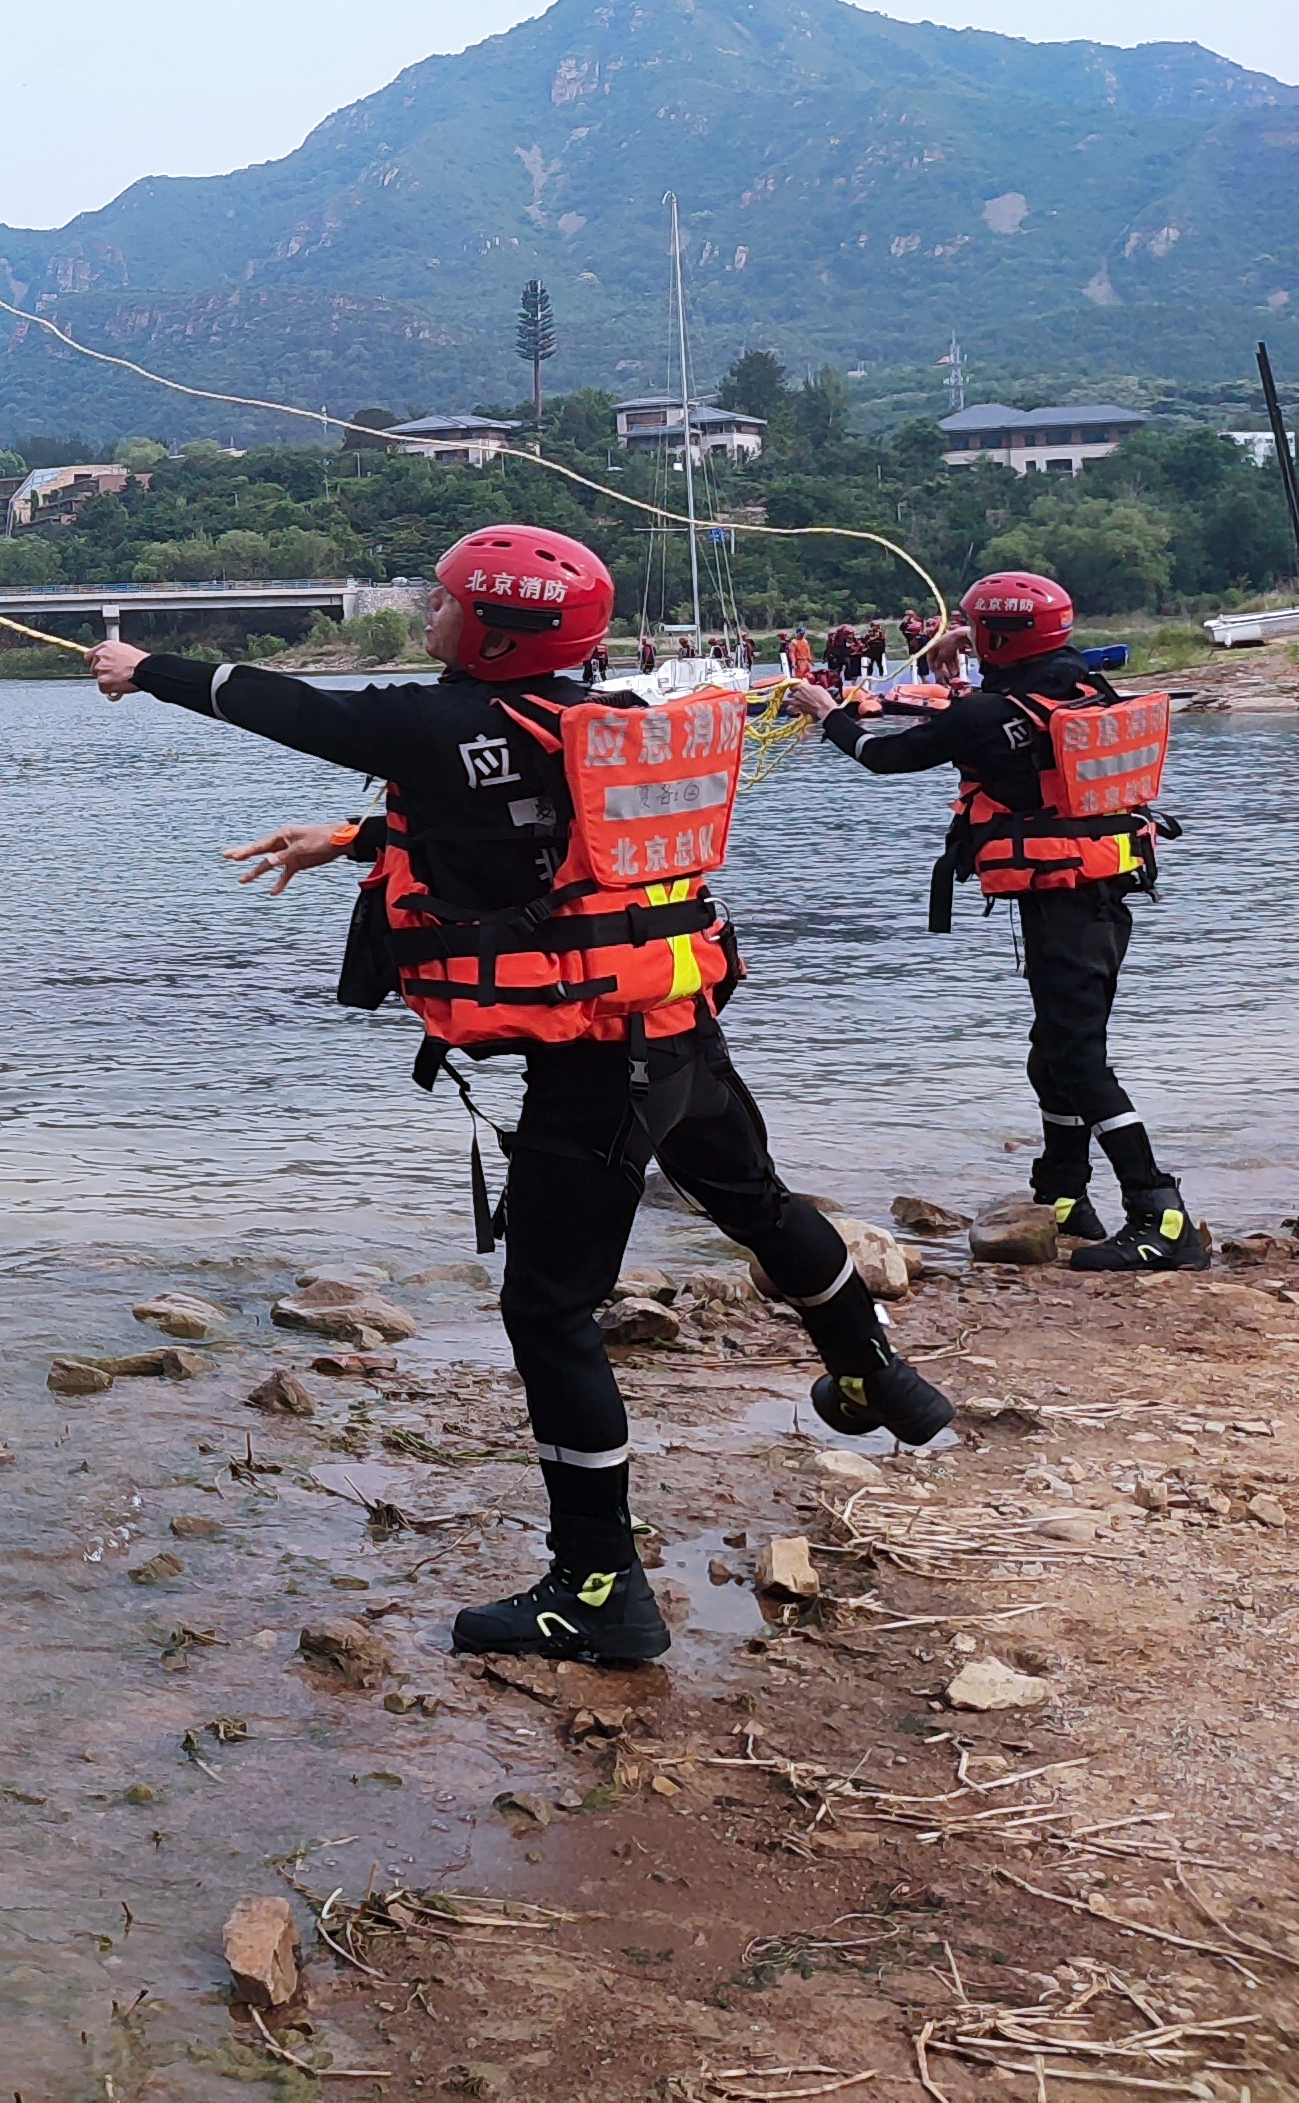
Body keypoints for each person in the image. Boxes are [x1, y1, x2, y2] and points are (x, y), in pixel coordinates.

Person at [88, 525, 951, 1668]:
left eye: (442, 604)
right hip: (677, 1026)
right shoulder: (606, 717)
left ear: (491, 630)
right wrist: (349, 837)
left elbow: (298, 712)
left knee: (548, 1313)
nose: (430, 617)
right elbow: (527, 834)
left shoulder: (443, 722)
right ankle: (874, 1371)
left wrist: (143, 670)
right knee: (758, 1205)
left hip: (597, 1060)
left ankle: (600, 1587)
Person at [782, 571, 1205, 1269]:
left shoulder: (986, 714)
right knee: (1053, 1052)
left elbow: (882, 757)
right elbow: (1012, 697)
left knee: (1078, 1059)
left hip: (1068, 906)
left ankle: (1161, 1218)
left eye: (978, 631)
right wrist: (971, 648)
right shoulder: (1079, 682)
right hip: (1098, 893)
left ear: (999, 639)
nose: (967, 642)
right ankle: (1064, 1193)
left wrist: (827, 710)